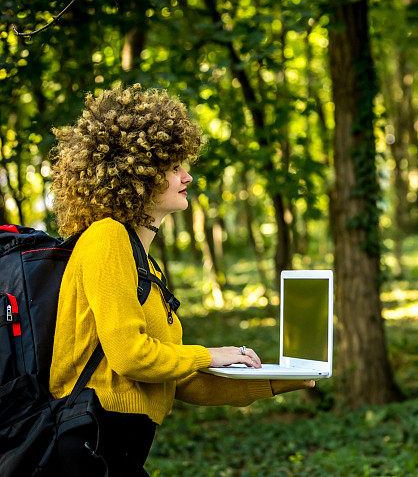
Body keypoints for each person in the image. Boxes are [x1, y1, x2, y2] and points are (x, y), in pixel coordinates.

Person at [48, 83, 314, 476]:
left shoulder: (145, 264)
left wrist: (285, 380)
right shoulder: (106, 238)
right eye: (173, 167)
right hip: (88, 447)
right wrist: (209, 353)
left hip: (118, 450)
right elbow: (131, 356)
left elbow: (183, 381)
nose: (186, 176)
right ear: (132, 172)